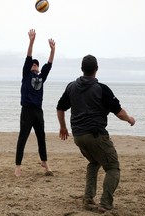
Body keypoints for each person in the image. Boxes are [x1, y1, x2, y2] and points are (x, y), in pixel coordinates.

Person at [56, 54, 135, 213]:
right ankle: (105, 204)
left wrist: (63, 127)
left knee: (94, 162)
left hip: (78, 136)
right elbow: (118, 112)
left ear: (82, 69)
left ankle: (88, 199)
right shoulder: (101, 89)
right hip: (95, 135)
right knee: (113, 168)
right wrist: (130, 119)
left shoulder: (71, 86)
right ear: (96, 69)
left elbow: (60, 107)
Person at [15, 29, 55, 177]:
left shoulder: (41, 77)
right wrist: (31, 41)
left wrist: (53, 50)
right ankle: (18, 166)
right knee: (23, 138)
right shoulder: (26, 74)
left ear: (38, 68)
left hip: (38, 111)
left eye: (36, 65)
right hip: (26, 110)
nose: (34, 65)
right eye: (32, 64)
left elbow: (49, 65)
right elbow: (29, 56)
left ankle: (45, 162)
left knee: (41, 137)